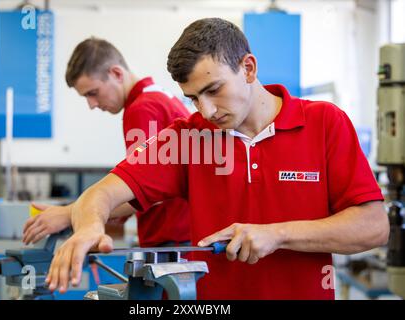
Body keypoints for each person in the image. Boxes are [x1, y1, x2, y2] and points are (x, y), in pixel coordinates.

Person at [44, 18, 389, 299]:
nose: (206, 110)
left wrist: (278, 235)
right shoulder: (188, 137)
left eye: (213, 90)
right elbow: (101, 193)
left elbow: (373, 228)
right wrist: (88, 226)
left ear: (249, 68)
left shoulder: (324, 123)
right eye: (193, 98)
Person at [22, 37, 191, 249]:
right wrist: (120, 208)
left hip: (172, 242)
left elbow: (146, 188)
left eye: (93, 93)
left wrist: (70, 213)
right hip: (181, 236)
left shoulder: (142, 109)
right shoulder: (157, 97)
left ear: (117, 74)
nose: (92, 104)